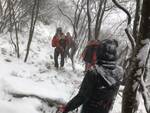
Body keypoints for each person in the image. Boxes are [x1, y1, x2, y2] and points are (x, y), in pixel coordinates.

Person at [58, 39, 123, 113]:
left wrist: (66, 108)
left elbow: (82, 96)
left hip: (89, 109)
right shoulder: (120, 71)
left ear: (100, 53)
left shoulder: (94, 72)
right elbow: (113, 96)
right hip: (104, 109)